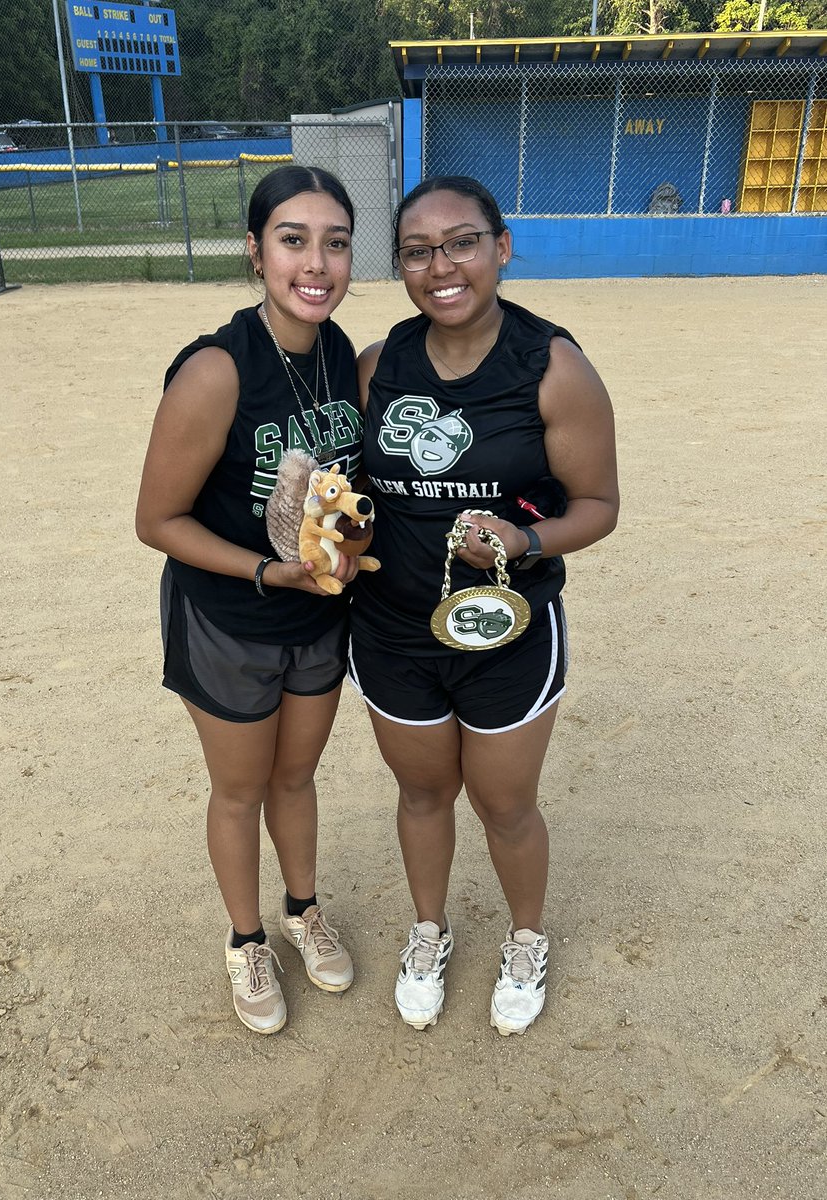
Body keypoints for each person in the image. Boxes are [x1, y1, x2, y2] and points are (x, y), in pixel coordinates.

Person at [349, 175, 619, 1036]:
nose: (442, 266)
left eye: (461, 241)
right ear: (401, 267)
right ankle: (429, 933)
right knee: (422, 794)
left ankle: (527, 938)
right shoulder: (377, 365)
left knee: (505, 804)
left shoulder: (554, 367)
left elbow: (599, 505)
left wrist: (524, 541)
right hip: (393, 630)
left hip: (510, 632)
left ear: (501, 247)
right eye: (419, 251)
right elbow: (348, 490)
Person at [135, 165, 362, 1036]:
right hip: (231, 618)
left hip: (317, 615)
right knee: (239, 790)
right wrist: (267, 573)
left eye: (335, 242)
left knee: (296, 777)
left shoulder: (341, 354)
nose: (317, 262)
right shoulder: (216, 370)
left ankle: (302, 909)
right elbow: (157, 520)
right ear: (255, 252)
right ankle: (246, 939)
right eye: (293, 239)